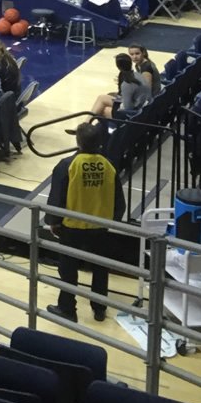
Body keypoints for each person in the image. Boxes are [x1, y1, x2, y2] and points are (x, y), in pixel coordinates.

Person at [46, 118, 125, 322]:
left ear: (78, 142)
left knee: (68, 268)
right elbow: (119, 200)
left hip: (72, 227)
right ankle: (99, 309)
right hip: (101, 226)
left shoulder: (68, 165)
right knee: (100, 269)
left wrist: (54, 221)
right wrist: (113, 221)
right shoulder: (108, 166)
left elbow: (57, 197)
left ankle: (67, 309)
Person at [91, 51, 151, 120]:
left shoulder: (127, 83)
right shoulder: (138, 75)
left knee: (104, 109)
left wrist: (119, 100)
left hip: (133, 114)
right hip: (143, 108)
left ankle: (85, 125)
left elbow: (128, 108)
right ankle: (86, 123)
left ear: (118, 67)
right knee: (102, 98)